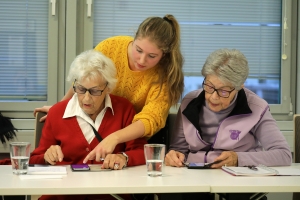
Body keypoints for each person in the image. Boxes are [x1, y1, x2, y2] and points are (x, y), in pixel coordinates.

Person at [33, 14, 184, 162]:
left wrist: (115, 137)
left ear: (164, 55)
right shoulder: (110, 47)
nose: (142, 60)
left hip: (132, 132)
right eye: (138, 50)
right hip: (104, 118)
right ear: (135, 38)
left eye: (152, 56)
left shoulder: (165, 74)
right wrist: (61, 108)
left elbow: (151, 119)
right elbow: (85, 75)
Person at [164, 48, 292, 200]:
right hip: (195, 177)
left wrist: (239, 159)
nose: (213, 97)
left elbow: (283, 154)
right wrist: (173, 156)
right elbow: (179, 149)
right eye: (209, 86)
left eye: (223, 91)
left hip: (237, 180)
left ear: (239, 87)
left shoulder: (257, 107)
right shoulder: (189, 102)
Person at [30, 49, 147, 200]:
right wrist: (47, 157)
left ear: (108, 88)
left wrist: (123, 157)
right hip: (63, 196)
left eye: (94, 91)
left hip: (109, 195)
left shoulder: (124, 109)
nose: (86, 98)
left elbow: (142, 152)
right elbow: (34, 160)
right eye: (81, 89)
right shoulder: (57, 112)